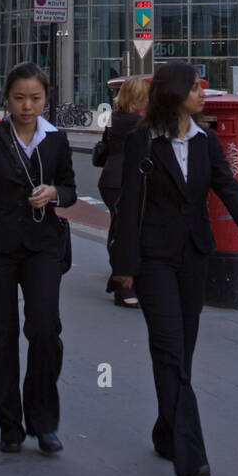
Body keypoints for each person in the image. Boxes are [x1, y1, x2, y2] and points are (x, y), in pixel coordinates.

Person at [110, 61, 238, 476]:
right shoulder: (143, 141)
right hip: (154, 260)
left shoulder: (206, 140)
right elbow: (129, 204)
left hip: (194, 258)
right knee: (170, 350)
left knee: (181, 353)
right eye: (195, 87)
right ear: (174, 94)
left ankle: (164, 429)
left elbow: (225, 182)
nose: (202, 93)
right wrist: (125, 268)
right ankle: (190, 457)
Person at [0, 62, 76, 453]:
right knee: (1, 335)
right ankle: (9, 424)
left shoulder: (56, 140)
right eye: (19, 98)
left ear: (46, 98)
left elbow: (70, 189)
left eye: (35, 98)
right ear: (6, 98)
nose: (27, 106)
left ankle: (43, 419)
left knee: (45, 330)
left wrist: (54, 194)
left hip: (44, 247)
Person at [97, 76, 148, 307]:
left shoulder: (112, 118)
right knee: (124, 231)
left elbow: (106, 145)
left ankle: (118, 279)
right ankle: (123, 285)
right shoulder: (137, 122)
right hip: (124, 180)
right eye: (143, 98)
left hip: (110, 178)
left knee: (119, 228)